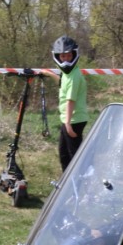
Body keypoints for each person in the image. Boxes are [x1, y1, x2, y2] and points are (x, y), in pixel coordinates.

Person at [39, 35, 89, 171]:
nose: (66, 59)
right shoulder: (68, 74)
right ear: (57, 56)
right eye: (62, 56)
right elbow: (62, 84)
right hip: (68, 119)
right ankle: (66, 180)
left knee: (75, 156)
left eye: (68, 56)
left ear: (74, 55)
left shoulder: (74, 76)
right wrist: (49, 74)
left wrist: (67, 124)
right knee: (64, 153)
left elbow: (70, 101)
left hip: (74, 120)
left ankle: (81, 178)